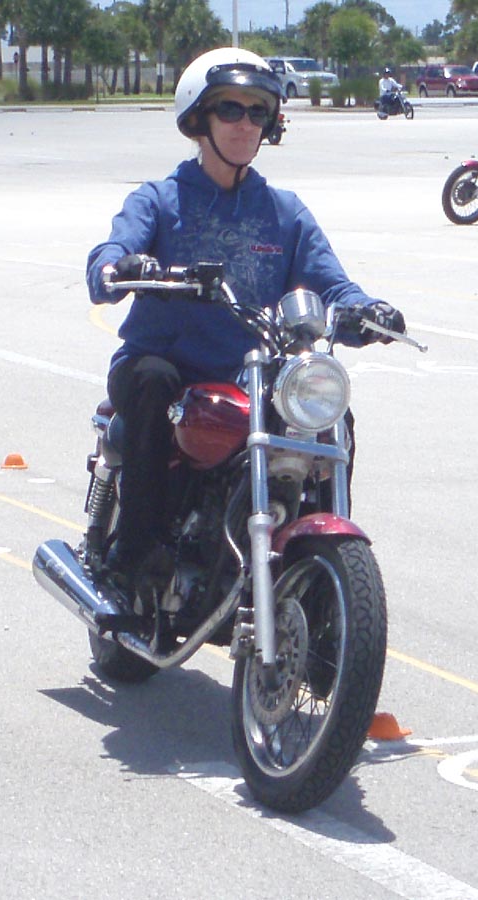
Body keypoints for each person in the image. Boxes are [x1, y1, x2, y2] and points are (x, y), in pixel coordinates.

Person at [86, 46, 404, 587]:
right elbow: (110, 255)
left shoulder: (284, 211)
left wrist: (366, 310)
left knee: (329, 415)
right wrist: (121, 267)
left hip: (252, 376)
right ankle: (139, 555)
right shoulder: (159, 200)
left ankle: (318, 565)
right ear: (199, 118)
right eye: (230, 109)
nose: (245, 124)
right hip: (167, 366)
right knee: (151, 381)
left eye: (258, 112)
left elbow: (332, 282)